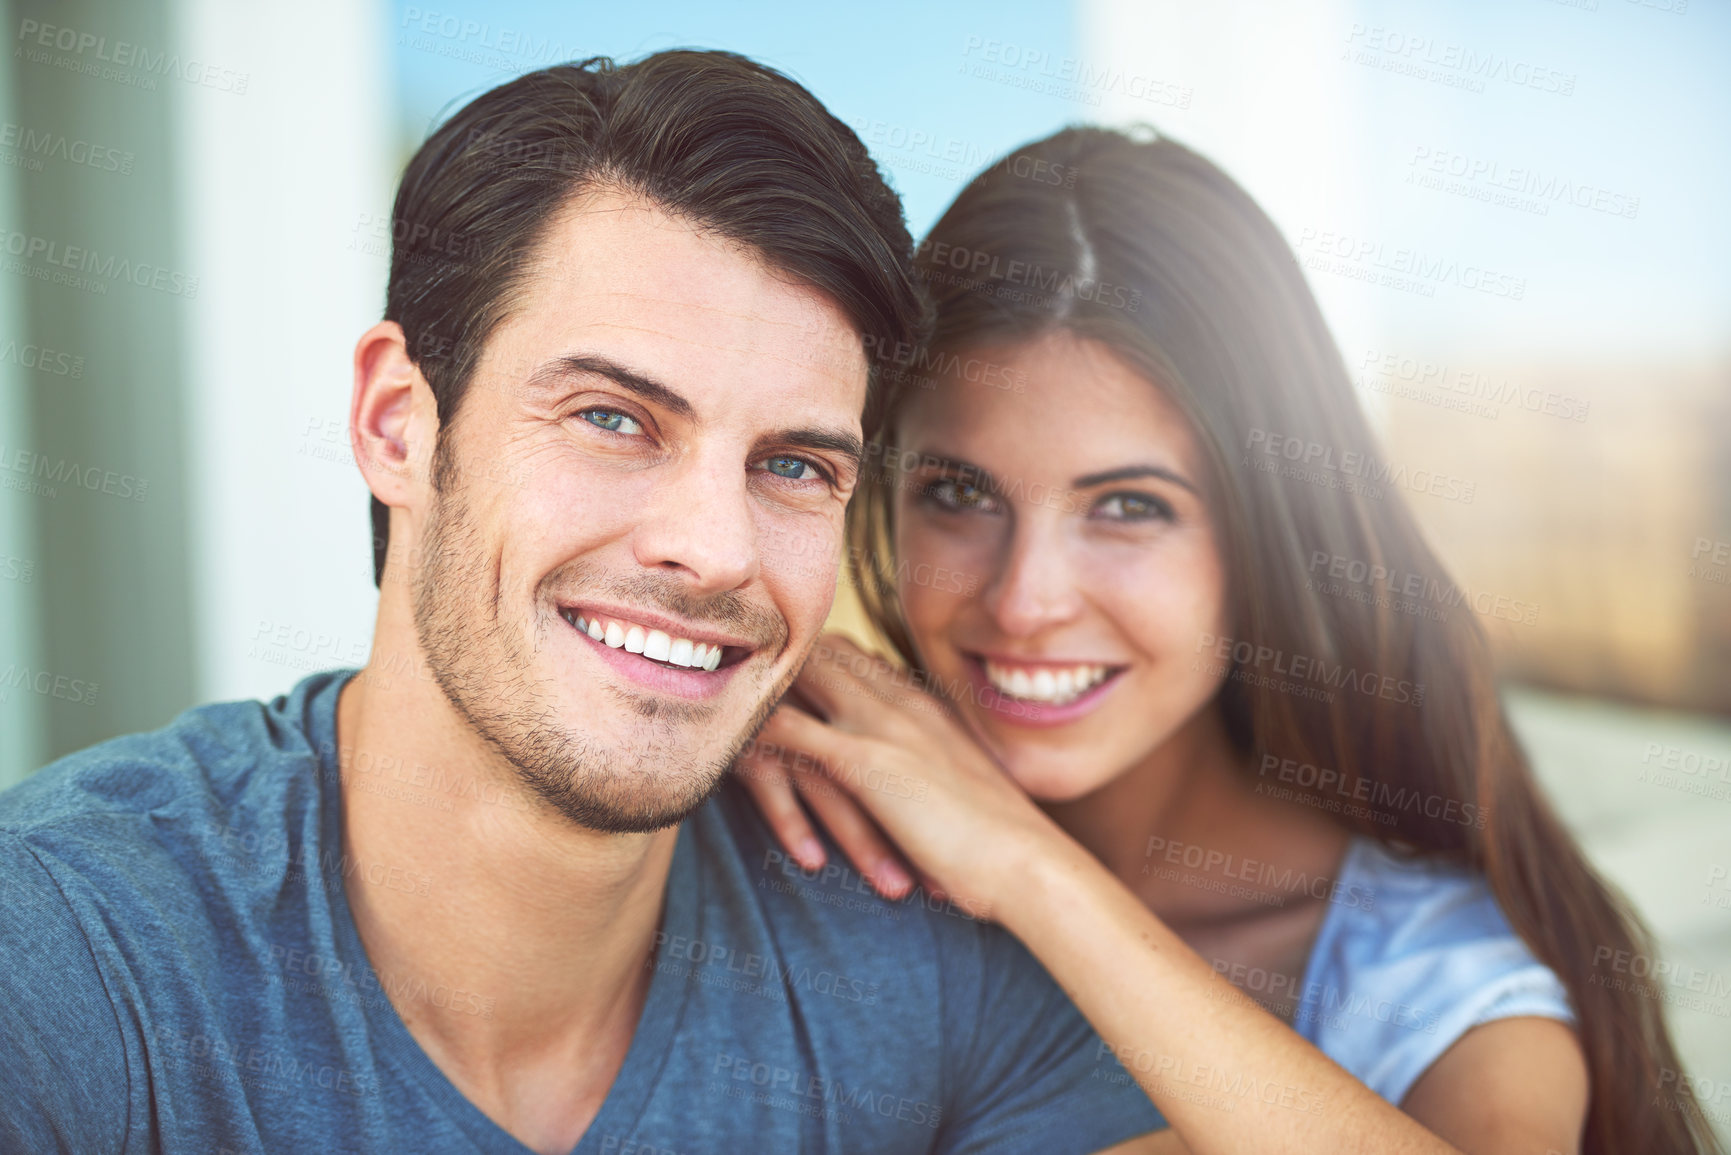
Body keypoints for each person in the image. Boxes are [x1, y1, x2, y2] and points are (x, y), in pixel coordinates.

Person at [0, 58, 1170, 1154]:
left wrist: (1034, 868)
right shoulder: (68, 956)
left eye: (796, 466)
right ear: (397, 425)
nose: (716, 553)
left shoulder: (906, 955)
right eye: (614, 419)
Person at [740, 126, 1724, 1155]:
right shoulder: (813, 794)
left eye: (1127, 506)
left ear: (1267, 532)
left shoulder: (1438, 993)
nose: (1026, 600)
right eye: (958, 492)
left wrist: (1032, 874)